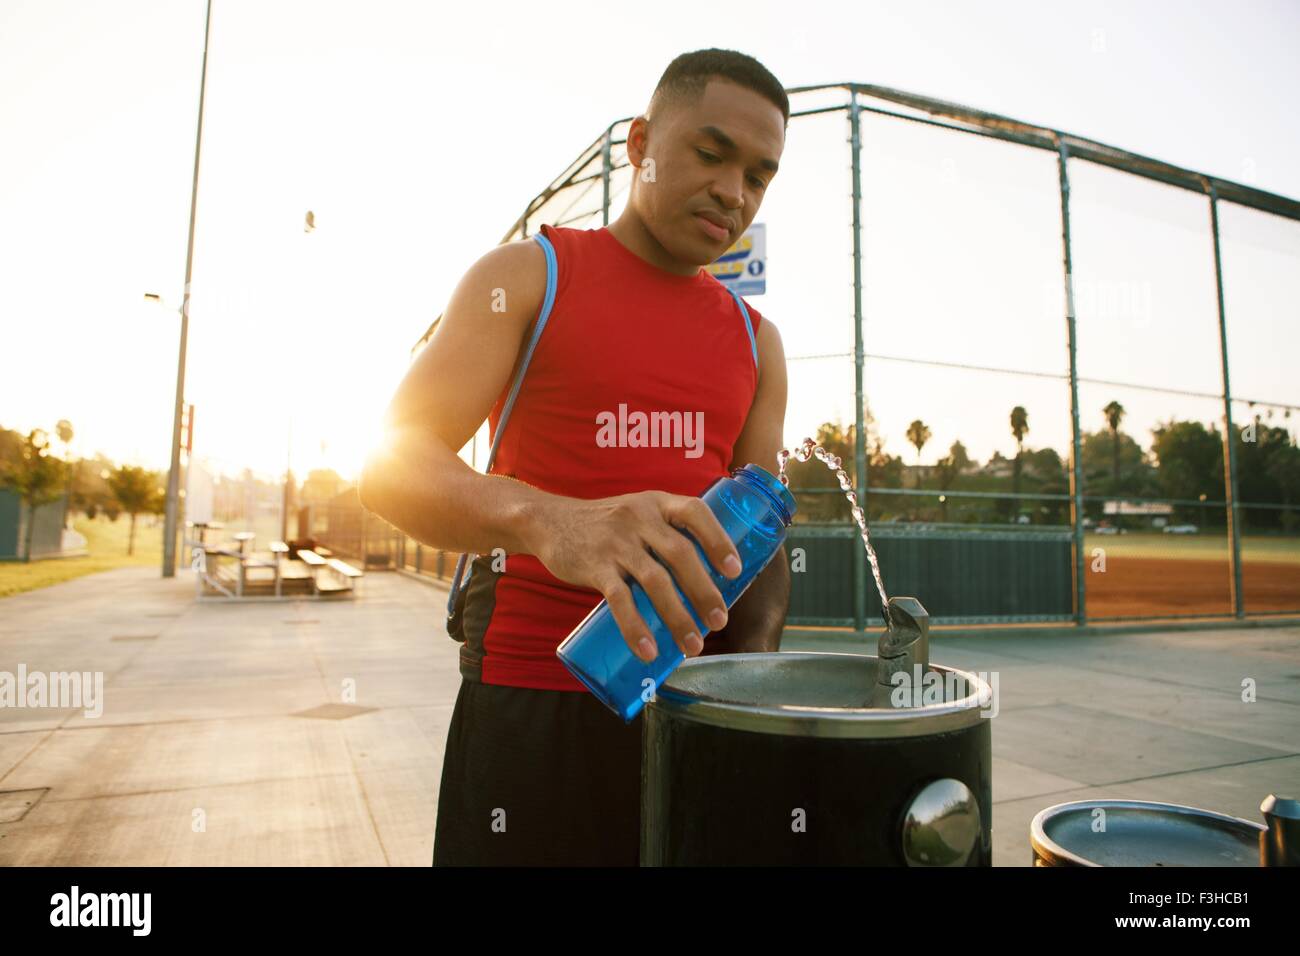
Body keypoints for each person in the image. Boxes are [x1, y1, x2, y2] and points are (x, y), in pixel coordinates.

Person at [360, 48, 791, 866]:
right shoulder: (526, 276)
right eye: (709, 153)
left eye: (760, 175)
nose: (734, 192)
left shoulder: (758, 343)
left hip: (688, 718)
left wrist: (751, 694)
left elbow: (758, 540)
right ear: (640, 144)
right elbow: (391, 464)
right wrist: (551, 520)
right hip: (530, 710)